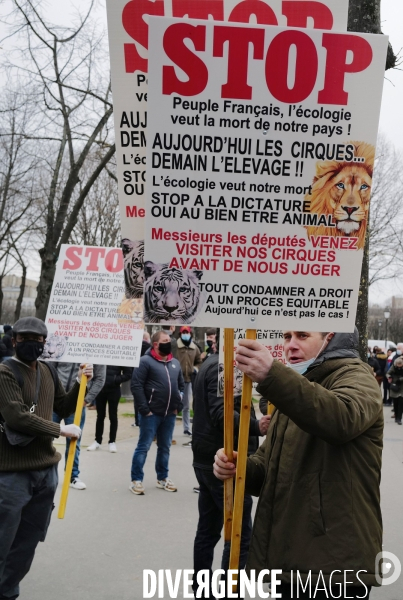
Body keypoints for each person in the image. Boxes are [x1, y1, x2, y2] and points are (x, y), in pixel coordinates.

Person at [214, 330, 383, 600]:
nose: (290, 345)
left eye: (302, 336)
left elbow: (341, 418)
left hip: (333, 566)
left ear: (329, 337)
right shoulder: (296, 385)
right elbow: (269, 467)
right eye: (287, 336)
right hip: (294, 560)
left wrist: (273, 376)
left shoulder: (355, 375)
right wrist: (238, 467)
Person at [0, 317, 93, 600]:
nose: (32, 344)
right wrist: (58, 429)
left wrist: (81, 383)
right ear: (14, 340)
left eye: (38, 339)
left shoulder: (48, 371)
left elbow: (64, 405)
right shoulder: (4, 372)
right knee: (3, 540)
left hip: (45, 473)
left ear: (45, 342)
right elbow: (15, 416)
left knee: (29, 540)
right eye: (25, 338)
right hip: (12, 473)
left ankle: (7, 591)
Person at [192, 351, 271, 598]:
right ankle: (229, 591)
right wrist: (257, 427)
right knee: (238, 536)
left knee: (208, 530)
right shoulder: (223, 366)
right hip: (224, 461)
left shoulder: (215, 362)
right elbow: (221, 413)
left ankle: (201, 589)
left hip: (209, 457)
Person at [129, 330, 184, 495]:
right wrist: (145, 410)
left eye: (170, 340)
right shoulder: (145, 362)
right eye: (165, 340)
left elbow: (181, 386)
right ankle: (136, 480)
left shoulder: (175, 363)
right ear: (156, 344)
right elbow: (136, 386)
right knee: (144, 446)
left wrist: (178, 405)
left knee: (165, 447)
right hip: (151, 415)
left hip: (170, 414)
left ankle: (163, 478)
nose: (169, 342)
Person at [53, 362, 106, 489]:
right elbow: (50, 367)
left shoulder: (97, 350)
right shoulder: (64, 343)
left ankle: (72, 476)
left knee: (74, 439)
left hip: (77, 402)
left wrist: (86, 399)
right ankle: (41, 473)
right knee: (44, 436)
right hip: (55, 399)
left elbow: (100, 378)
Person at [87, 364, 133, 452]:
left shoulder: (119, 356)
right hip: (100, 388)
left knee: (113, 416)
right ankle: (97, 440)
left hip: (114, 389)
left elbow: (128, 374)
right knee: (100, 416)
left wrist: (116, 379)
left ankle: (112, 442)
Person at [176, 326, 202, 436]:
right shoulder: (175, 347)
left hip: (188, 380)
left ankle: (186, 428)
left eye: (187, 332)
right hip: (175, 380)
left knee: (186, 406)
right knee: (173, 405)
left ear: (190, 334)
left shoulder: (194, 348)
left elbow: (199, 361)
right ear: (180, 334)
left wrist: (195, 369)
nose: (185, 334)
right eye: (184, 332)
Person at [386, 356, 403, 425]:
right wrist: (389, 377)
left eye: (400, 365)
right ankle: (396, 416)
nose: (399, 367)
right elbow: (388, 373)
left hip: (402, 386)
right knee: (395, 403)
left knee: (401, 403)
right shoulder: (393, 366)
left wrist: (401, 379)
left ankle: (399, 418)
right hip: (394, 385)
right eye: (398, 365)